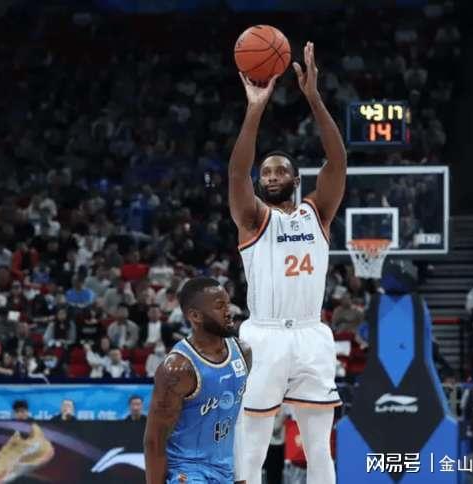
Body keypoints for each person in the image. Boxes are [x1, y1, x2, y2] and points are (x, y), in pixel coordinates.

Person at [228, 42, 346, 483]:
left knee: (319, 447)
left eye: (281, 171)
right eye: (267, 172)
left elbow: (338, 161)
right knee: (253, 445)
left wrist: (313, 96)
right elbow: (236, 174)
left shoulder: (318, 212)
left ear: (296, 180)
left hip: (311, 333)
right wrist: (255, 108)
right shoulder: (252, 218)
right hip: (265, 334)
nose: (273, 175)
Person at [144, 277, 251, 484]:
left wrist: (241, 478)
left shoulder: (243, 353)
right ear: (195, 316)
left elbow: (236, 420)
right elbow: (154, 440)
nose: (229, 312)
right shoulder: (177, 368)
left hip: (224, 470)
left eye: (228, 304)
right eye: (220, 306)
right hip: (186, 472)